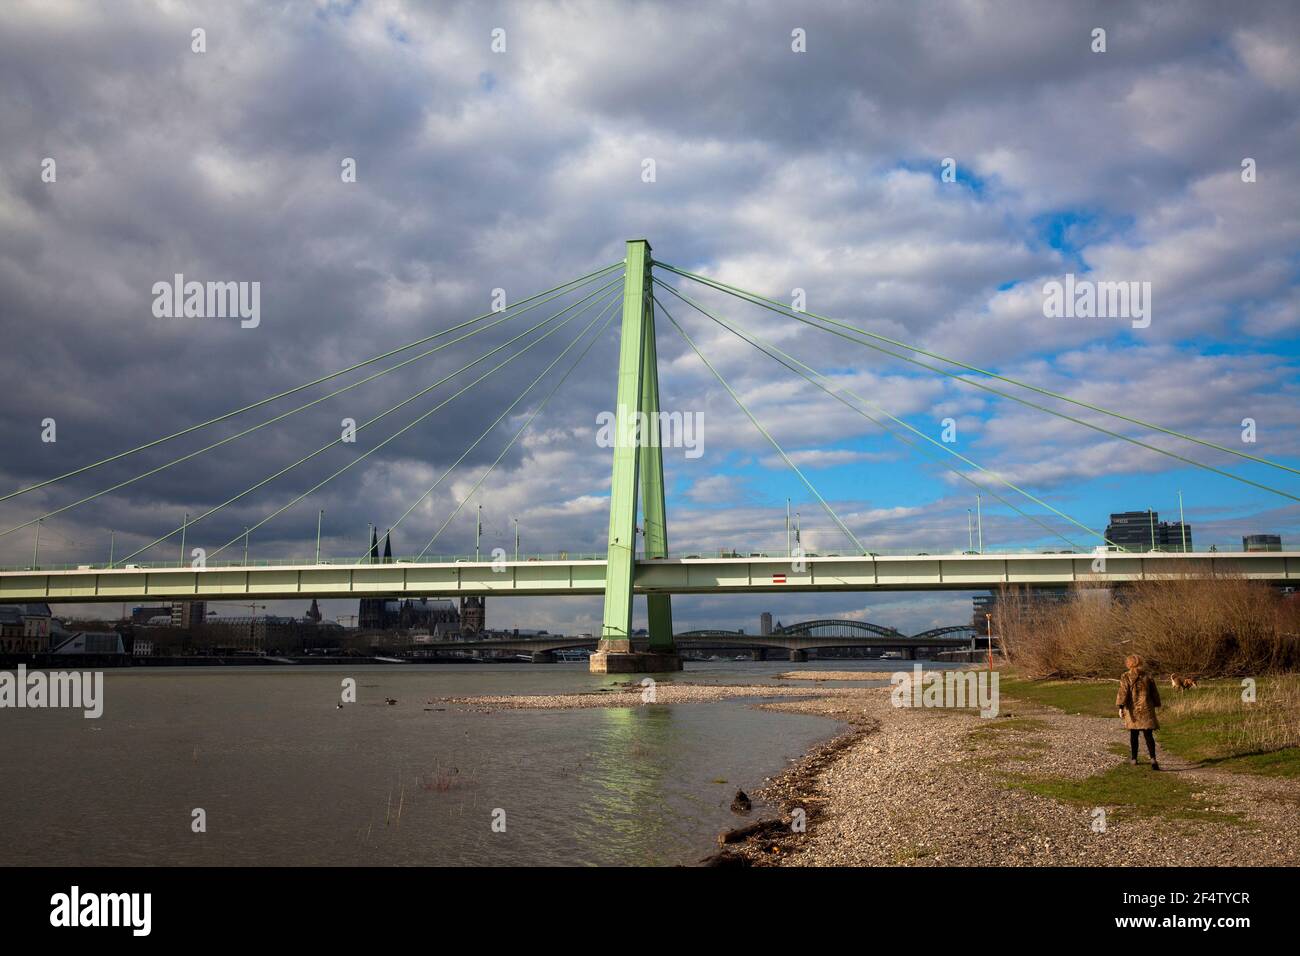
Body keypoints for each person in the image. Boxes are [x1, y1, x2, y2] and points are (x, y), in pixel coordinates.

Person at [1116, 653, 1161, 770]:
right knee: (1148, 735)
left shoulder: (1126, 676)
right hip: (1146, 708)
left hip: (1132, 709)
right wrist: (1156, 703)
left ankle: (1134, 759)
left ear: (1129, 663)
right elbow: (1154, 692)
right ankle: (1153, 758)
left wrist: (1121, 707)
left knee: (1134, 734)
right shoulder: (1147, 676)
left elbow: (1123, 692)